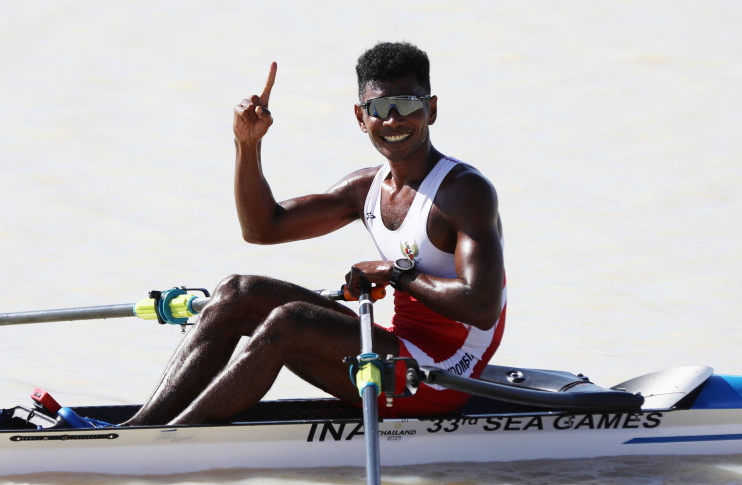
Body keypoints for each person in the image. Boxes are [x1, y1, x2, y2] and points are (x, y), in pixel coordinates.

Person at [121, 41, 506, 426]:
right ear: (360, 116)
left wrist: (394, 273)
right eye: (378, 109)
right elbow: (262, 228)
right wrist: (247, 144)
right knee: (238, 292)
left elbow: (482, 308)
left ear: (431, 110)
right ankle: (139, 429)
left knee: (291, 321)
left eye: (407, 104)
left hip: (447, 374)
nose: (392, 120)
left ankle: (173, 440)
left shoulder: (464, 192)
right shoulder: (365, 189)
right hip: (398, 351)